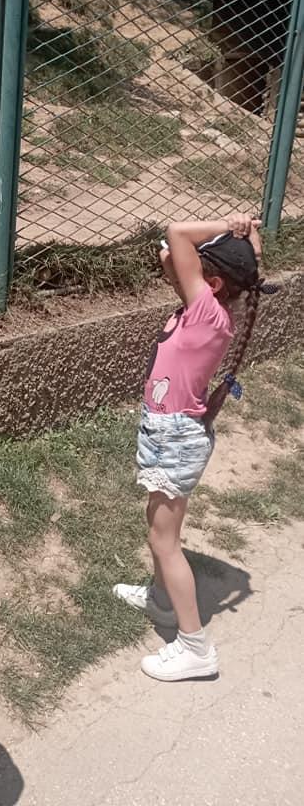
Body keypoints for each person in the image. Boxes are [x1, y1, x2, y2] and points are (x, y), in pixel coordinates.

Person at [114, 213, 275, 682]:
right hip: (174, 433)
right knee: (158, 530)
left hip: (174, 437)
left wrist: (227, 222)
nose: (172, 261)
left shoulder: (205, 311)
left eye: (194, 265)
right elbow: (196, 256)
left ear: (215, 280)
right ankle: (162, 602)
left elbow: (176, 234)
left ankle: (195, 646)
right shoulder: (217, 306)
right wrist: (248, 234)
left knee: (165, 541)